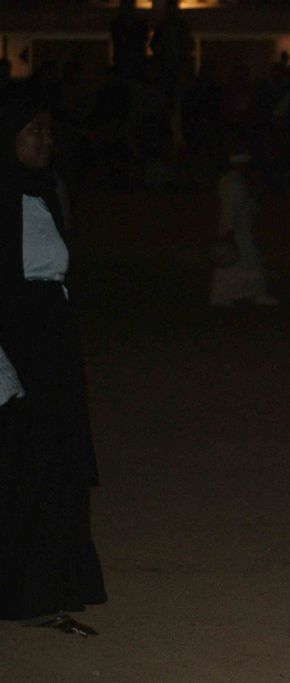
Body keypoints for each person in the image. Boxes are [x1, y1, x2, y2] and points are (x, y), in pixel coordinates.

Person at [0, 89, 107, 636]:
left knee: (58, 471)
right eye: (33, 131)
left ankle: (51, 590)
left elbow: (58, 275)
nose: (46, 140)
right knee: (27, 471)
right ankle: (27, 593)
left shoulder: (44, 191)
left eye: (48, 130)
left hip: (51, 342)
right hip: (19, 348)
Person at [209, 152, 278, 308]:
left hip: (240, 229)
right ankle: (221, 296)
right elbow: (229, 208)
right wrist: (229, 232)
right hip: (235, 231)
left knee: (247, 263)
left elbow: (245, 206)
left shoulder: (236, 181)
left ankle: (254, 293)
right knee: (229, 263)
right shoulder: (232, 182)